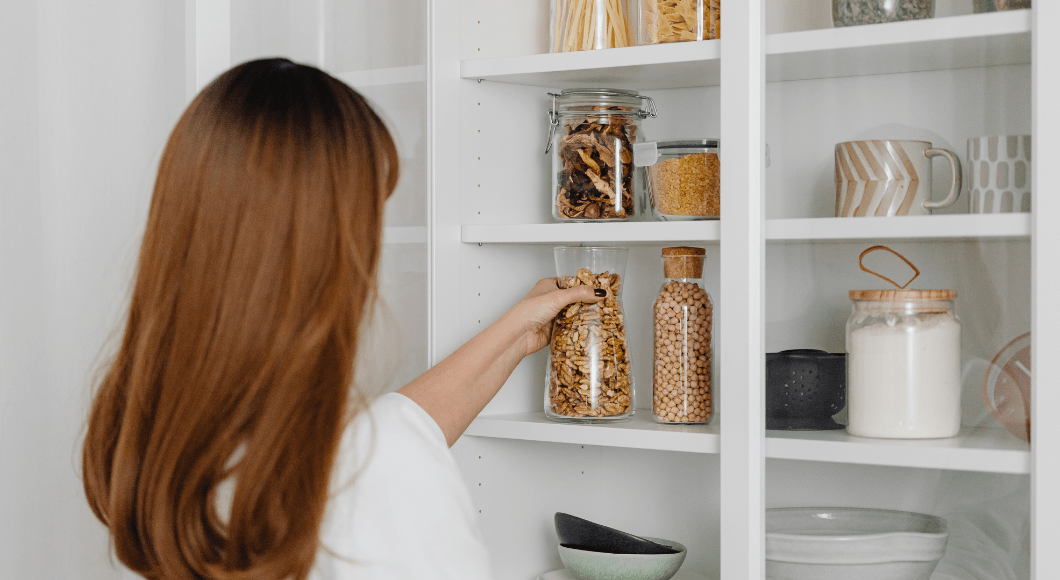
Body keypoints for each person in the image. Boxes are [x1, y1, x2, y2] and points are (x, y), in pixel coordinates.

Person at [81, 58, 604, 580]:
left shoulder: (153, 436)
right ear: (324, 246)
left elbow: (383, 434)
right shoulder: (379, 471)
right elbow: (374, 459)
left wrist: (515, 332)